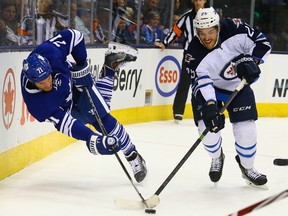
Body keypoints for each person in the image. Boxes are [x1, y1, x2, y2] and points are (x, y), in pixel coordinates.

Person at [20, 29, 147, 183]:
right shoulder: (37, 104)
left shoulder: (50, 52)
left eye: (48, 77)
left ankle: (132, 155)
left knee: (102, 119)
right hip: (65, 108)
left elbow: (75, 35)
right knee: (98, 115)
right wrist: (90, 138)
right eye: (42, 83)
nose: (48, 84)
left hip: (76, 84)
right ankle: (110, 67)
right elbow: (65, 123)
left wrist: (81, 65)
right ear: (31, 81)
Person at [185, 7, 271, 187]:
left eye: (210, 31)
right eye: (202, 33)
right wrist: (210, 105)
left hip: (238, 86)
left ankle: (247, 168)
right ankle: (217, 157)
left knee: (246, 131)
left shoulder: (235, 28)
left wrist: (252, 62)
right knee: (206, 130)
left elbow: (262, 43)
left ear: (218, 27)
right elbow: (201, 82)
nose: (206, 37)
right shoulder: (193, 52)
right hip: (210, 90)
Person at [154, 0, 207, 123]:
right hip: (190, 54)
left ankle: (206, 110)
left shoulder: (212, 15)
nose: (198, 2)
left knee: (206, 83)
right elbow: (176, 31)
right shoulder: (187, 16)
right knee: (184, 82)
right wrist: (165, 43)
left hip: (207, 54)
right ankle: (178, 112)